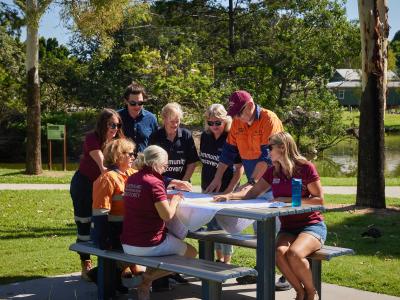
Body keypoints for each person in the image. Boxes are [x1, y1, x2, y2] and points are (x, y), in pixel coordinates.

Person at [214, 132, 326, 300]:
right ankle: (299, 291)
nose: (267, 152)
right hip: (288, 228)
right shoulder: (273, 171)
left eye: (269, 147)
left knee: (294, 254)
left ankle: (310, 292)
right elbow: (252, 193)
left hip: (311, 225)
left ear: (282, 147)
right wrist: (229, 196)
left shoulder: (305, 167)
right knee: (278, 253)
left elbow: (319, 201)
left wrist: (286, 199)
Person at [204, 90, 288, 288]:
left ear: (250, 105)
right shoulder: (238, 122)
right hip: (258, 181)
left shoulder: (269, 119)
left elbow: (268, 157)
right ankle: (262, 270)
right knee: (260, 229)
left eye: (239, 112)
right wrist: (217, 179)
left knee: (278, 229)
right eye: (233, 114)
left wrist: (252, 182)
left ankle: (287, 274)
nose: (237, 117)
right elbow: (228, 153)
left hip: (276, 179)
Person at [121, 145, 197, 300]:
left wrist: (166, 198)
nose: (166, 168)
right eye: (165, 165)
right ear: (156, 164)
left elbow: (147, 199)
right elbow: (167, 215)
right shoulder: (155, 182)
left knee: (169, 242)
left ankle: (145, 289)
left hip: (128, 243)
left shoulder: (132, 178)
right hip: (149, 244)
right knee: (192, 253)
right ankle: (148, 279)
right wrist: (175, 200)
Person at [70, 108, 124, 281]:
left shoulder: (118, 141)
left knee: (108, 225)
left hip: (105, 188)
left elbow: (127, 159)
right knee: (84, 223)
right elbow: (101, 161)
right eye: (111, 125)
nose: (115, 128)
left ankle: (111, 267)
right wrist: (107, 170)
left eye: (117, 125)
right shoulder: (92, 138)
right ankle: (86, 263)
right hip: (85, 185)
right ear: (102, 124)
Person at [91, 138, 141, 292]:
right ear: (118, 155)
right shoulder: (108, 179)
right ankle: (100, 275)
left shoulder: (133, 173)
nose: (133, 156)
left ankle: (121, 273)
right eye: (130, 154)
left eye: (134, 154)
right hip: (113, 232)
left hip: (128, 231)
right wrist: (104, 238)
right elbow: (100, 212)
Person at [200, 104, 244, 264]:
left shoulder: (232, 137)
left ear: (226, 120)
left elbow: (240, 169)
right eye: (210, 123)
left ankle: (227, 261)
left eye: (218, 123)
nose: (214, 126)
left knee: (225, 228)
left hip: (226, 189)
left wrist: (229, 192)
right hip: (207, 188)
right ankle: (218, 260)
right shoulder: (205, 136)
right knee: (212, 227)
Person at [150, 102, 199, 181]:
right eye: (172, 121)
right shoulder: (155, 136)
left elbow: (192, 163)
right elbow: (151, 165)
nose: (175, 124)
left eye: (177, 121)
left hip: (183, 184)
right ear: (164, 119)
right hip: (161, 184)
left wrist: (183, 183)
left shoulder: (186, 135)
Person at [118, 82, 158, 153]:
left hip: (144, 162)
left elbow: (155, 144)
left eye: (140, 103)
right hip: (121, 162)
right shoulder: (117, 117)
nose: (137, 106)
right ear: (126, 101)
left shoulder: (151, 118)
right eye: (133, 103)